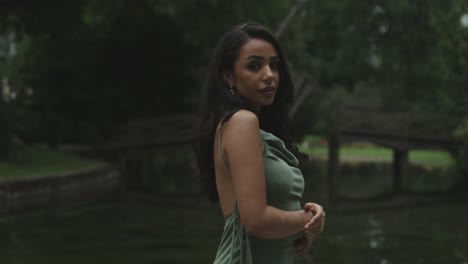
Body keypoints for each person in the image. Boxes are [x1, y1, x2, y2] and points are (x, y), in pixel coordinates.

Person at [196, 22, 325, 264]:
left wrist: (303, 227)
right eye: (255, 66)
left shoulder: (252, 128)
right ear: (228, 76)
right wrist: (308, 218)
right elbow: (255, 220)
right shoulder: (242, 122)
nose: (269, 75)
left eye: (274, 65)